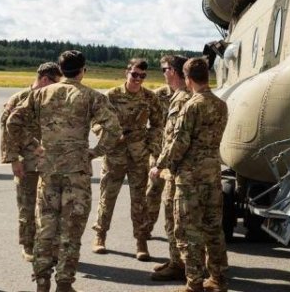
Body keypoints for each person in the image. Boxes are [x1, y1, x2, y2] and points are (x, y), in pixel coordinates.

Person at [7, 50, 121, 292]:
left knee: (45, 228)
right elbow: (113, 129)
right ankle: (64, 283)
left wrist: (34, 146)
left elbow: (13, 122)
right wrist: (95, 151)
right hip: (76, 172)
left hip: (48, 170)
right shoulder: (91, 96)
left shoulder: (41, 94)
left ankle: (41, 284)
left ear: (61, 69)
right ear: (83, 70)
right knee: (71, 228)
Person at [154, 57, 229, 292]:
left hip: (190, 178)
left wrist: (160, 164)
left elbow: (180, 141)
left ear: (187, 78)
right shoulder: (220, 104)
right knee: (213, 229)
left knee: (188, 230)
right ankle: (217, 279)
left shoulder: (192, 105)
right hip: (212, 175)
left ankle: (194, 283)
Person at [92, 58, 165, 260]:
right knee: (107, 197)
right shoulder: (111, 96)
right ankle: (100, 236)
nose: (138, 79)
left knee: (139, 201)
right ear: (127, 73)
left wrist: (151, 147)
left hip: (138, 156)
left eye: (142, 76)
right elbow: (96, 122)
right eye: (134, 75)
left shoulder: (150, 98)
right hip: (114, 155)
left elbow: (158, 125)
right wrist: (108, 136)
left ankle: (141, 242)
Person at [0, 62, 61, 262]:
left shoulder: (51, 99)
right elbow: (7, 132)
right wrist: (13, 160)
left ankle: (47, 245)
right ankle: (28, 245)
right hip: (26, 162)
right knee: (26, 205)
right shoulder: (18, 99)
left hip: (49, 162)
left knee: (49, 206)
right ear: (45, 79)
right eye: (54, 82)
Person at [147, 54, 189, 279]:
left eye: (164, 69)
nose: (163, 73)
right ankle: (177, 261)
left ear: (173, 71)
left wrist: (159, 165)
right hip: (181, 168)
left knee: (174, 218)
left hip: (177, 169)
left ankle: (180, 265)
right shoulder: (184, 95)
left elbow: (175, 138)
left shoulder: (182, 98)